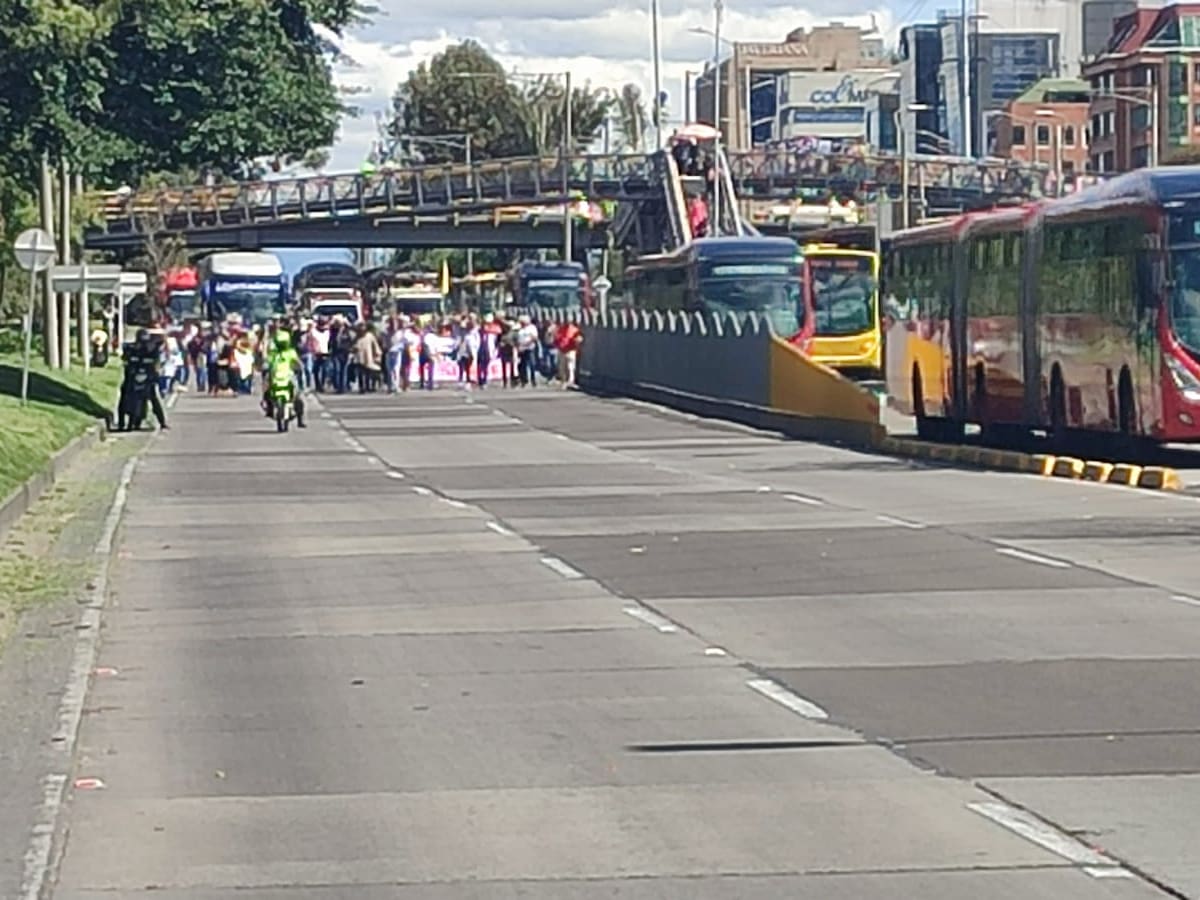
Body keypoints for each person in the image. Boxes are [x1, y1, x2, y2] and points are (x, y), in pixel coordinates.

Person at [118, 329, 168, 431]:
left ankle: (162, 422)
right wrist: (127, 363)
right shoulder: (131, 348)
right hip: (132, 376)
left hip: (148, 377)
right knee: (124, 395)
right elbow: (125, 359)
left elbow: (157, 361)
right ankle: (121, 422)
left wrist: (155, 371)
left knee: (154, 397)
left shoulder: (153, 349)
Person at [262, 330, 306, 427]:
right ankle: (269, 409)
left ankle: (300, 419)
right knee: (266, 392)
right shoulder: (274, 354)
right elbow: (266, 363)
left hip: (288, 377)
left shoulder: (290, 352)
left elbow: (298, 363)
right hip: (276, 377)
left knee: (298, 397)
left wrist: (299, 367)